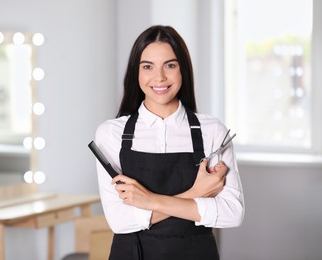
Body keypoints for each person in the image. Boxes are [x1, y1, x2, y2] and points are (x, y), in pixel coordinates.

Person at [93, 25, 244, 260]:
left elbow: (232, 213)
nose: (159, 77)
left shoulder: (212, 131)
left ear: (183, 69)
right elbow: (120, 221)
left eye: (170, 65)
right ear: (137, 72)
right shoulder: (111, 134)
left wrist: (150, 201)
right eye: (147, 66)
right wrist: (196, 193)